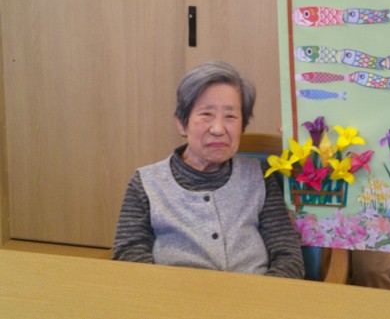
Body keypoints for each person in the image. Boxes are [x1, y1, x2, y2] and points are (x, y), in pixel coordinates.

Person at [113, 60, 305, 279]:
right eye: (206, 114)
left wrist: (261, 297)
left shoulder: (260, 176)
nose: (218, 129)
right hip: (172, 295)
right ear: (181, 123)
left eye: (230, 116)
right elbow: (129, 254)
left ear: (242, 126)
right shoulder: (146, 183)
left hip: (254, 295)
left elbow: (288, 256)